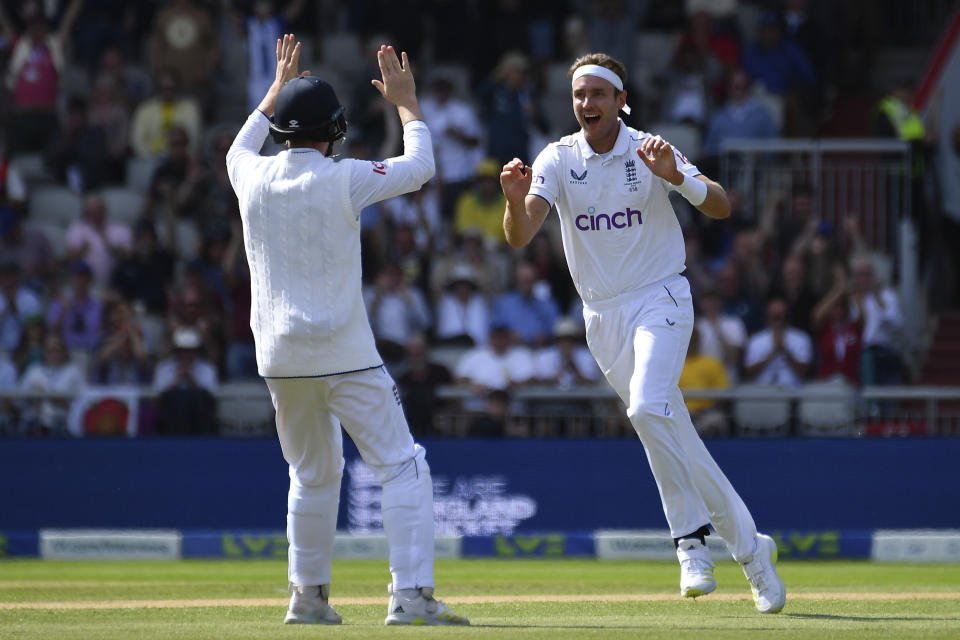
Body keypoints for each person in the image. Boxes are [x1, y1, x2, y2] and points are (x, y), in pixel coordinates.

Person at [499, 52, 785, 613]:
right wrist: (513, 201)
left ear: (619, 101)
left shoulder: (649, 148)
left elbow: (723, 205)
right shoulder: (557, 158)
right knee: (678, 435)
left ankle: (689, 542)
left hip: (661, 298)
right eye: (579, 95)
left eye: (598, 95)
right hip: (601, 317)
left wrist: (676, 177)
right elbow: (520, 233)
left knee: (647, 409)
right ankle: (753, 553)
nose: (587, 104)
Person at [225, 35, 467, 626]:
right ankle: (411, 599)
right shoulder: (345, 177)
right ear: (333, 129)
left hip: (279, 357)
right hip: (345, 352)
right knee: (402, 465)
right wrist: (406, 104)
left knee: (311, 474)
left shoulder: (247, 175)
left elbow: (245, 139)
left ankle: (307, 599)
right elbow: (421, 168)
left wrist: (277, 88)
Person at [743, 297, 812, 387]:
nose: (779, 319)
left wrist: (784, 351)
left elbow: (804, 371)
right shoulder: (756, 340)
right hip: (763, 392)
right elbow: (749, 372)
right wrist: (773, 353)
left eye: (781, 315)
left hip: (793, 392)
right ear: (767, 316)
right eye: (775, 316)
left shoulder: (801, 338)